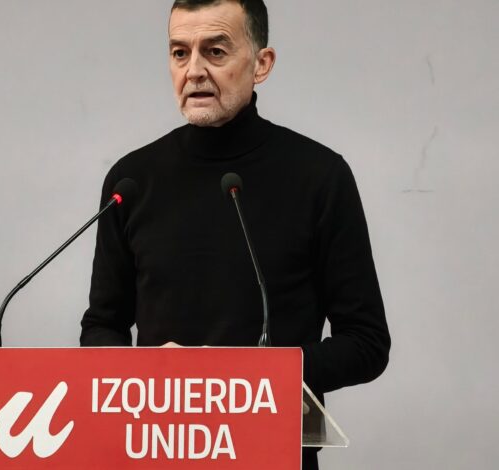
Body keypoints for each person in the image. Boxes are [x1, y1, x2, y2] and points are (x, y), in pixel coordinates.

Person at [80, 1, 390, 468]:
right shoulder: (131, 180)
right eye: (179, 53)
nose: (194, 71)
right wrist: (144, 371)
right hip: (156, 449)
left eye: (216, 51)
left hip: (269, 451)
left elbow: (367, 343)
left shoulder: (319, 176)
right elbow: (101, 327)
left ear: (261, 64)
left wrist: (250, 377)